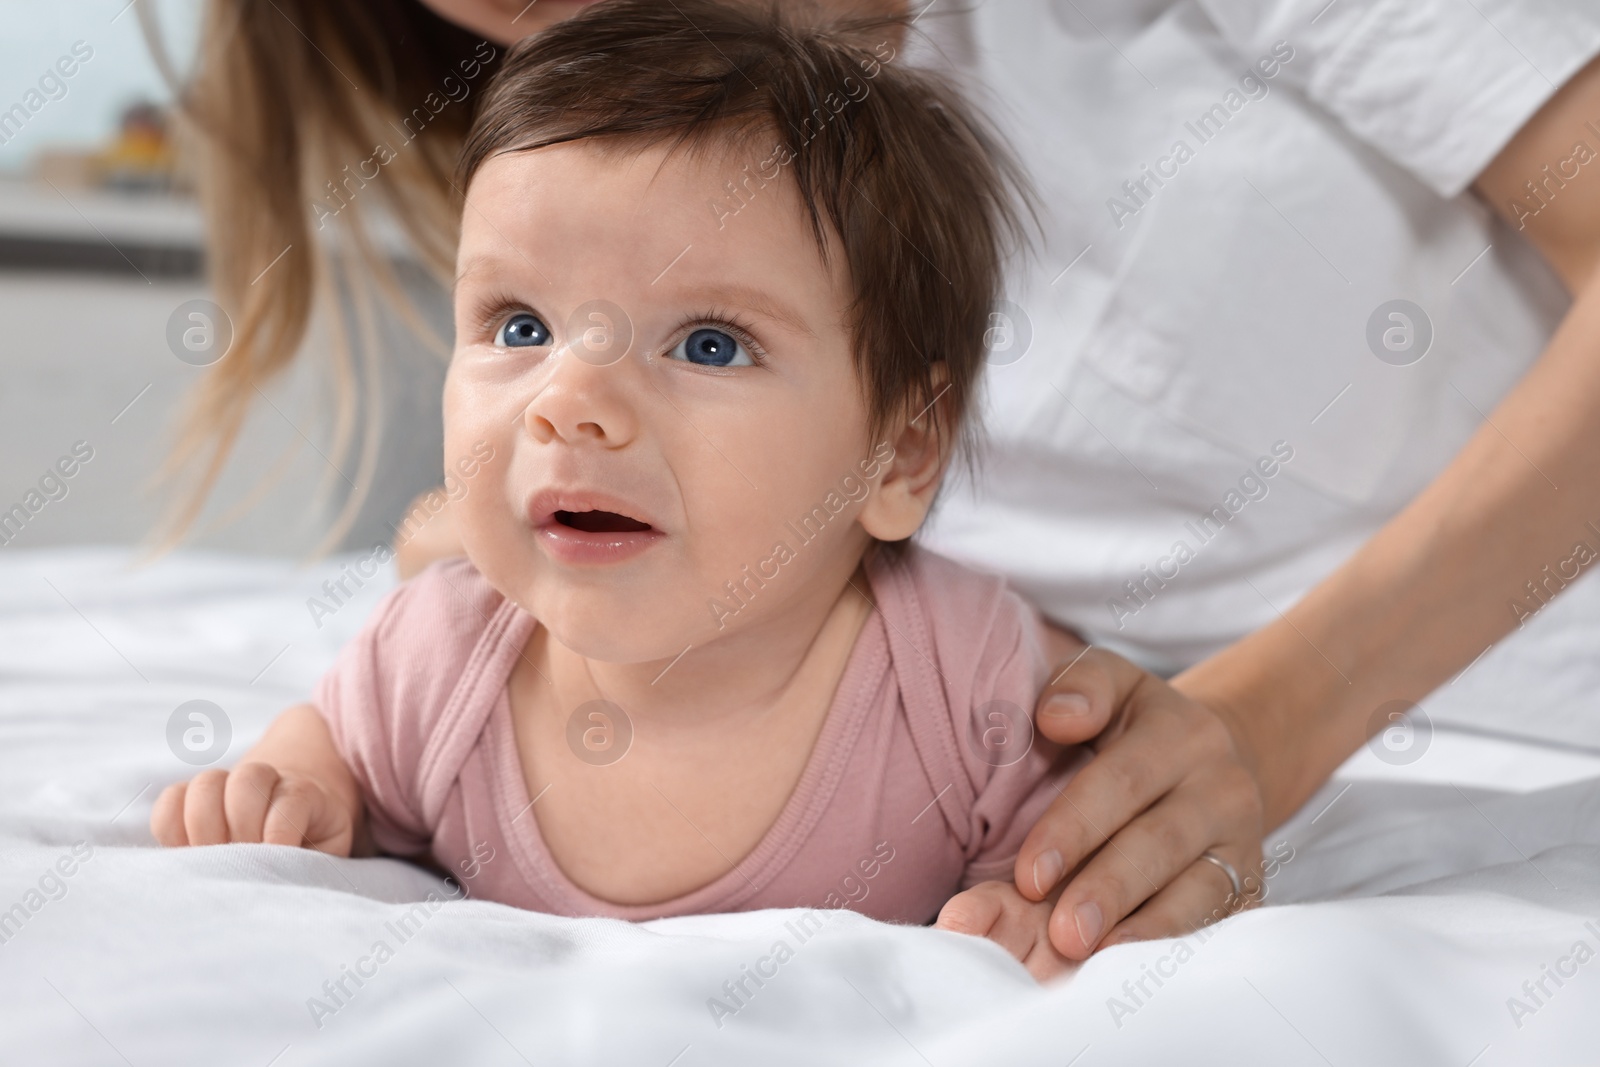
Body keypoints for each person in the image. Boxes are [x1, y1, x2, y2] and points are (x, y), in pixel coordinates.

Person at [165, 0, 1600, 965]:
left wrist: (1274, 715)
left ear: (914, 442)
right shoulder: (615, 148)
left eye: (711, 342)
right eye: (519, 328)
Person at [153, 0, 1093, 980]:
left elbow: (1075, 843)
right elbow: (337, 738)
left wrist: (1027, 906)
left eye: (707, 344)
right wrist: (295, 785)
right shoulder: (441, 659)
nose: (573, 403)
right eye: (521, 326)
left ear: (897, 455)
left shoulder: (957, 680)